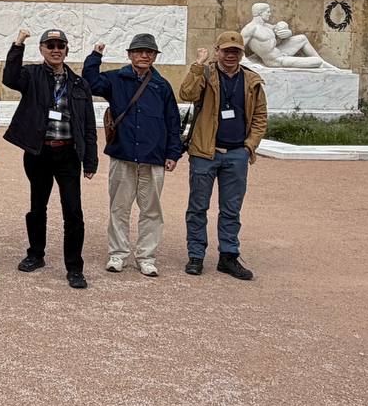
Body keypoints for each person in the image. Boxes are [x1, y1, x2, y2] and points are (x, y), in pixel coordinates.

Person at [3, 28, 98, 289]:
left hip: (68, 154)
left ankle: (75, 267)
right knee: (37, 207)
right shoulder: (31, 75)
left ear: (66, 50)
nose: (55, 50)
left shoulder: (79, 84)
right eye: (50, 45)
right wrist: (18, 43)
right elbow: (9, 77)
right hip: (39, 152)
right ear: (42, 49)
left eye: (60, 45)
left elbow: (89, 125)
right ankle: (36, 254)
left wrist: (90, 161)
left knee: (73, 212)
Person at [82, 33, 181, 278]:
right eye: (139, 51)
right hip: (123, 154)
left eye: (149, 52)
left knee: (151, 211)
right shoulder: (116, 79)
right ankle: (118, 254)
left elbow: (172, 122)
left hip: (153, 156)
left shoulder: (162, 85)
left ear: (155, 57)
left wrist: (173, 153)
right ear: (130, 54)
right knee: (119, 207)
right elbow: (90, 82)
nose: (144, 55)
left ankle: (146, 257)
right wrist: (95, 56)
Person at [178, 31, 268, 280]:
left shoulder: (252, 80)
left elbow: (260, 117)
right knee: (198, 207)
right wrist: (197, 65)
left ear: (241, 53)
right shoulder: (205, 73)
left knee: (231, 209)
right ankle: (196, 254)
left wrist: (250, 146)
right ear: (217, 51)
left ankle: (228, 256)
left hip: (237, 153)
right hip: (205, 151)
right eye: (226, 50)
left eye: (235, 51)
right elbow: (186, 94)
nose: (230, 55)